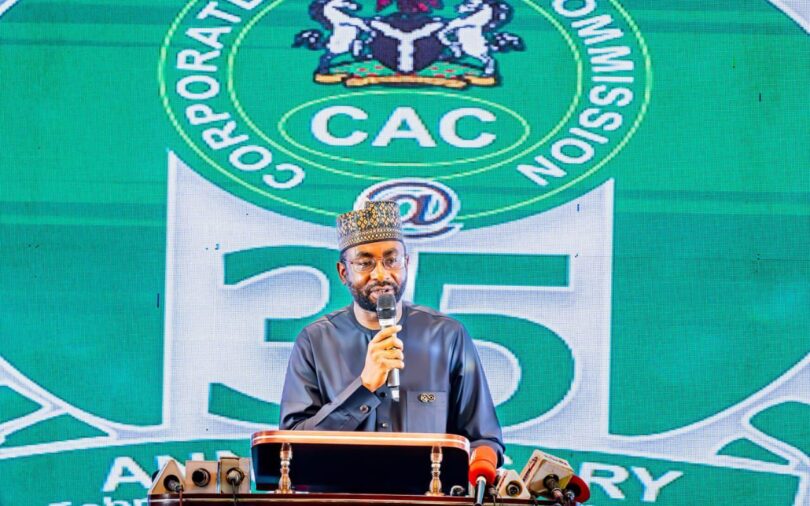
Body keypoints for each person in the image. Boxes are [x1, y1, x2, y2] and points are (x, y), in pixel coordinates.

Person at [279, 200, 504, 462]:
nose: (381, 274)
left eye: (391, 260)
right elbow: (290, 447)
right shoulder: (315, 341)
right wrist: (364, 387)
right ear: (343, 272)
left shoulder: (447, 336)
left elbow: (482, 439)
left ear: (406, 263)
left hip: (428, 489)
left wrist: (482, 462)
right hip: (343, 489)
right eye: (365, 263)